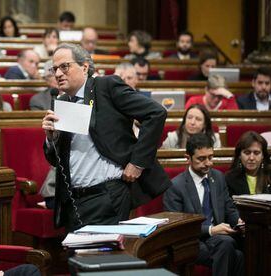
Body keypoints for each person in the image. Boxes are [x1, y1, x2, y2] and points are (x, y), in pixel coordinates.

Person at [42, 43, 170, 232]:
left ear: (84, 67)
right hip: (73, 199)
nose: (58, 74)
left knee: (100, 257)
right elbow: (56, 160)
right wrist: (51, 139)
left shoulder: (105, 86)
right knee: (78, 260)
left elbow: (156, 113)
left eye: (64, 66)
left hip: (108, 194)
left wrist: (137, 162)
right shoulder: (61, 102)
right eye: (55, 69)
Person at [163, 133, 244, 276]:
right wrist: (211, 230)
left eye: (210, 157)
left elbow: (229, 207)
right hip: (190, 241)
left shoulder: (218, 177)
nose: (208, 163)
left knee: (236, 251)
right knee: (233, 252)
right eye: (201, 159)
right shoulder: (175, 186)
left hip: (218, 239)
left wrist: (238, 220)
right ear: (187, 158)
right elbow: (175, 228)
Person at [226, 131, 271, 197]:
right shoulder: (229, 179)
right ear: (239, 155)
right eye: (247, 153)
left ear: (263, 156)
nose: (251, 158)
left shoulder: (269, 175)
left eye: (256, 153)